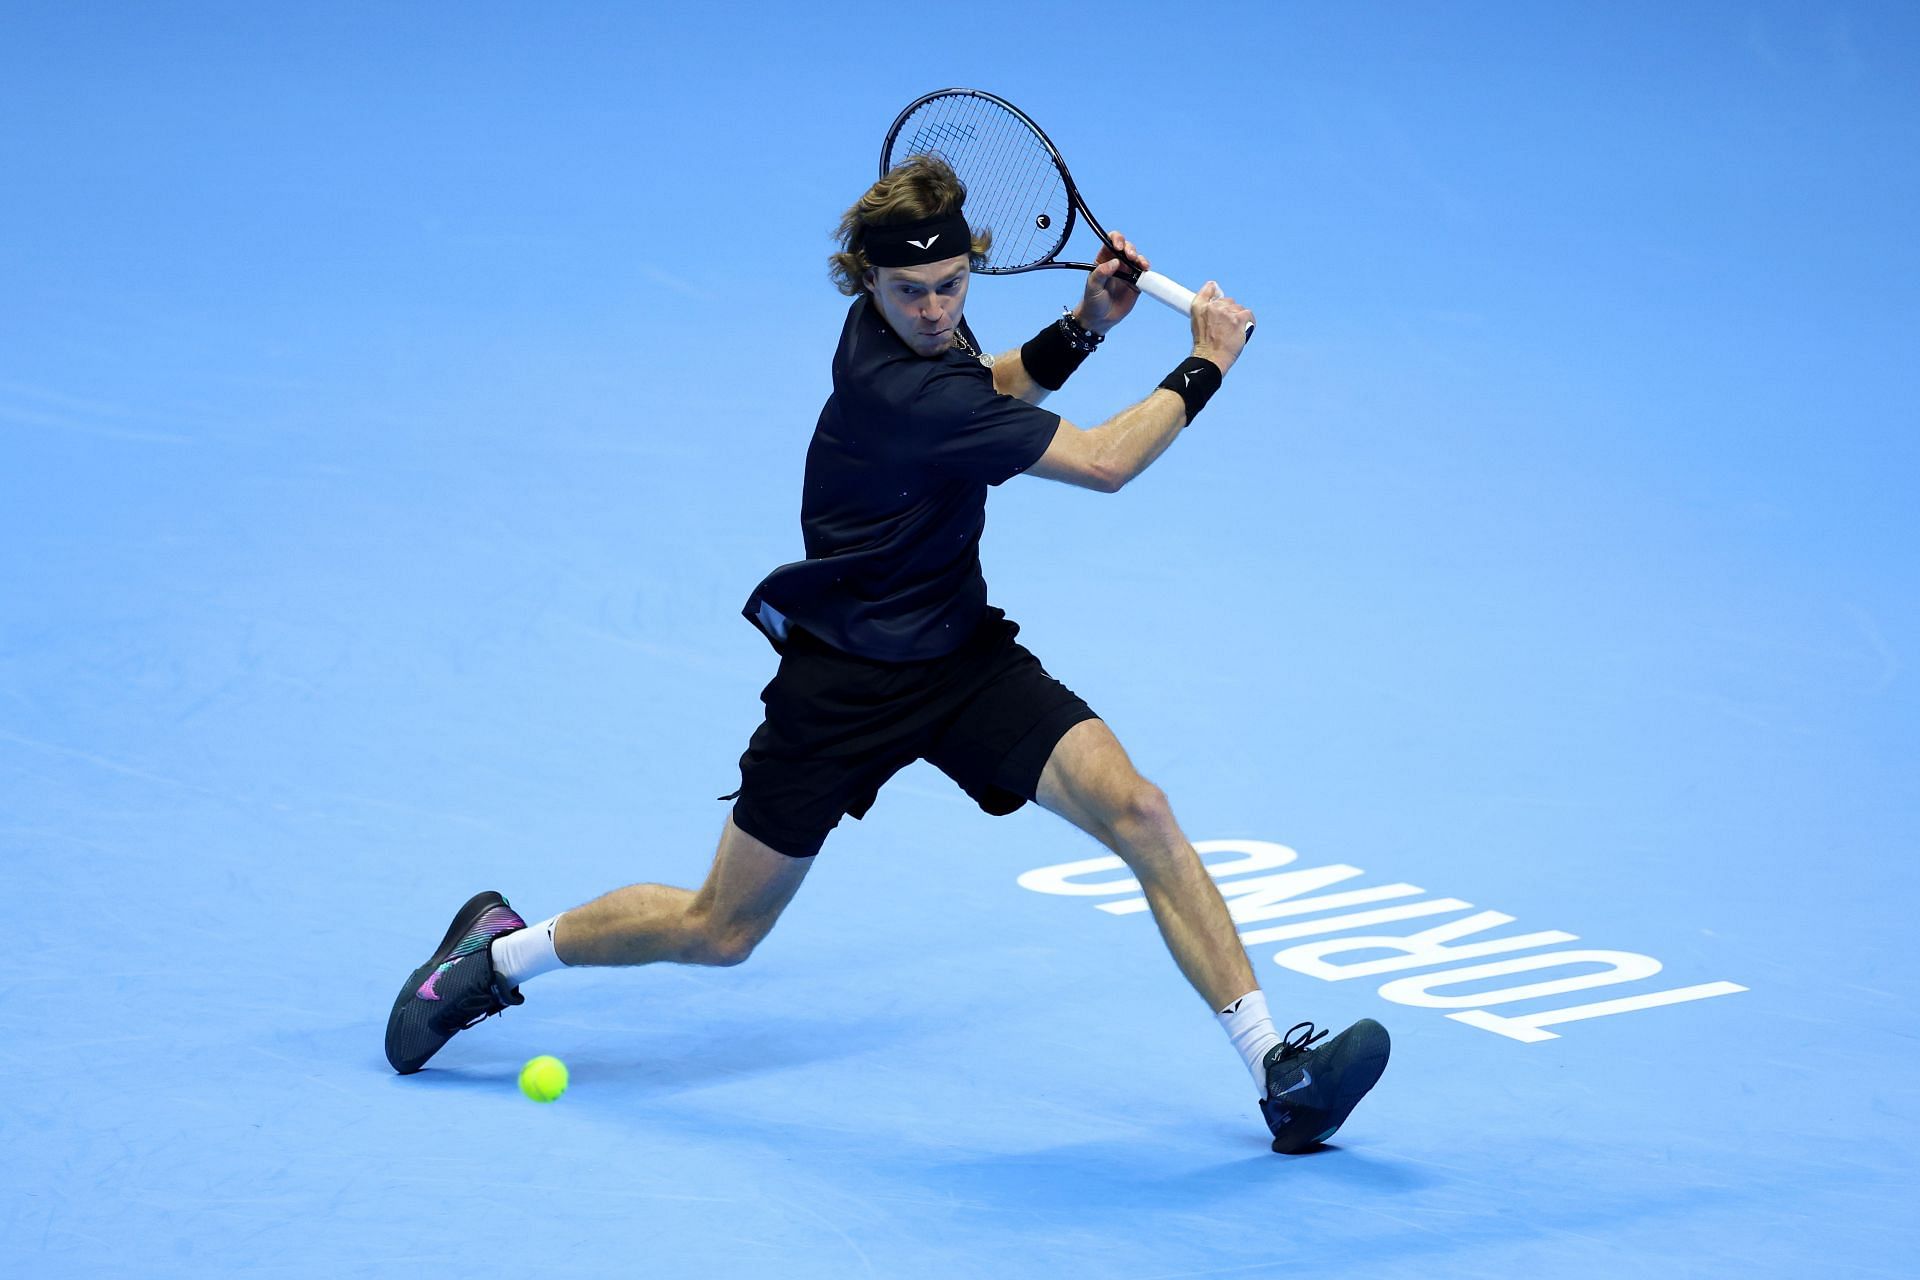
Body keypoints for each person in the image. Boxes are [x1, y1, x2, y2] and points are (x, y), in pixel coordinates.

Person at [384, 155, 1389, 1153]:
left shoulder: (918, 344)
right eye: (910, 291)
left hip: (958, 655)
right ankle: (498, 953)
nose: (937, 308)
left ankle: (1279, 1072)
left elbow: (988, 386)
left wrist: (1087, 325)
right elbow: (1102, 460)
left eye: (953, 282)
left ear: (971, 261)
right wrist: (1208, 358)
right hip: (846, 680)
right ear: (863, 280)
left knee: (1142, 809)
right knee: (719, 929)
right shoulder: (894, 389)